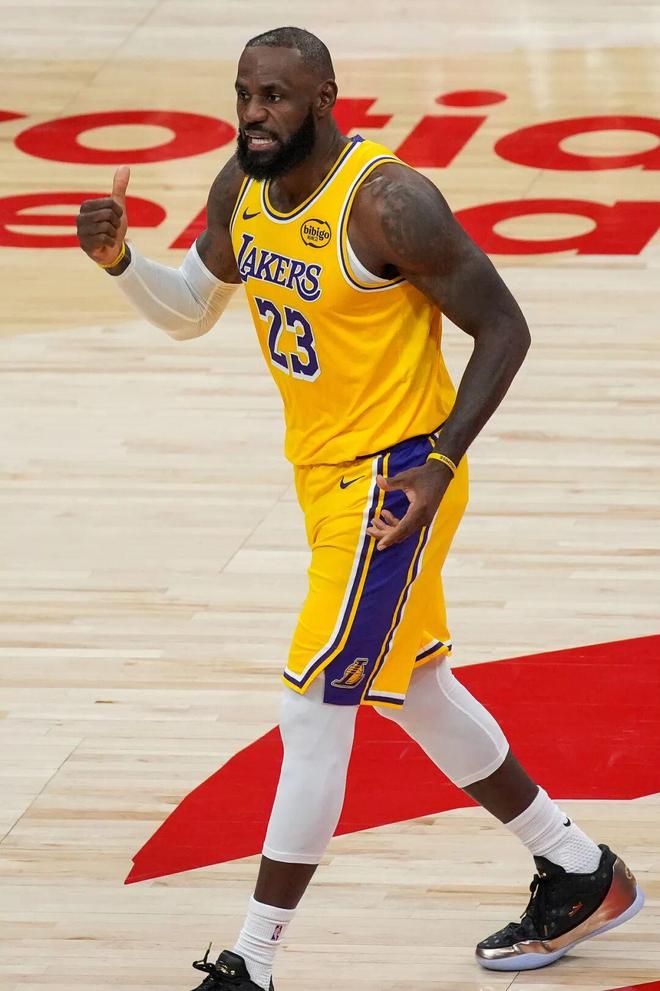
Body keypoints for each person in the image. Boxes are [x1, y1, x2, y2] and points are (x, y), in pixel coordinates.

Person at [76, 25, 644, 990]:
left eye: (276, 97)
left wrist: (443, 463)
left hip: (396, 486)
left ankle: (251, 963)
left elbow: (505, 327)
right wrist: (122, 261)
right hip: (322, 478)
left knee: (311, 708)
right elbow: (189, 310)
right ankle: (580, 869)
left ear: (325, 99)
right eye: (245, 94)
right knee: (416, 688)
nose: (255, 114)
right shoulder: (241, 186)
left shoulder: (388, 204)